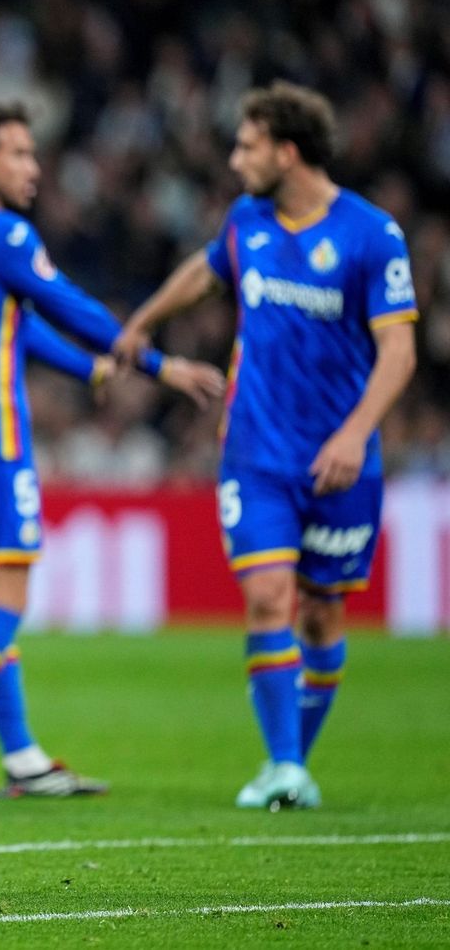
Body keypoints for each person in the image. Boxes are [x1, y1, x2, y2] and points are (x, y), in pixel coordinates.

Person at [113, 82, 417, 809]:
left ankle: (292, 764)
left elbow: (399, 352)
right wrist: (144, 321)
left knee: (321, 613)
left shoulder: (372, 235)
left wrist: (354, 433)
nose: (234, 157)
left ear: (287, 150)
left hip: (342, 460)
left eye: (247, 144)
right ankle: (283, 764)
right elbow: (204, 273)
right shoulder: (246, 220)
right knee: (267, 594)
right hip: (256, 454)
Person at [0, 101, 225, 800]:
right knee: (10, 593)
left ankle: (20, 754)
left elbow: (10, 325)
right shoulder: (3, 232)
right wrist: (154, 363)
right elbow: (68, 305)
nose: (34, 166)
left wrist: (91, 371)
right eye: (18, 153)